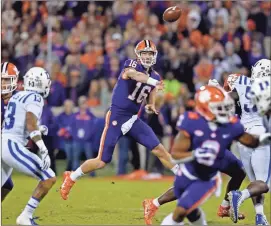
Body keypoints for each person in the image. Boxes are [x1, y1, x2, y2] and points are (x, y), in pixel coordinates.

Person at [60, 40, 178, 200]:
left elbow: (151, 90)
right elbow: (134, 75)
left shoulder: (155, 76)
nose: (148, 57)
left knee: (159, 149)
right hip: (117, 116)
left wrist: (150, 104)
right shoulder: (132, 65)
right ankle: (72, 177)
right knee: (102, 161)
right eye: (145, 53)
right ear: (138, 55)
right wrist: (153, 82)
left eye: (150, 54)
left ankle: (183, 175)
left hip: (133, 119)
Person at [143, 85, 270, 225]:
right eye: (219, 106)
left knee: (239, 172)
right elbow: (176, 153)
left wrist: (265, 138)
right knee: (189, 201)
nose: (224, 110)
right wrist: (197, 154)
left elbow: (250, 141)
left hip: (217, 160)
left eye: (224, 105)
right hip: (195, 163)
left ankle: (225, 207)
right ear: (205, 108)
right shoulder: (192, 121)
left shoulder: (231, 124)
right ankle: (154, 203)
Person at [1, 67, 56, 225]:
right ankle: (25, 216)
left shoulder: (17, 96)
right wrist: (43, 148)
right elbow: (30, 125)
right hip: (11, 145)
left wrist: (39, 129)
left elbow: (20, 124)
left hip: (4, 141)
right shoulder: (35, 98)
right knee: (49, 177)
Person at [225, 59, 271, 225]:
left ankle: (260, 217)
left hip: (243, 137)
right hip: (261, 136)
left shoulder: (240, 80)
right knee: (263, 184)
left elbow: (226, 91)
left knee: (255, 183)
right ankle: (240, 195)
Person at [1, 62, 19, 201]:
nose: (2, 82)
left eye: (6, 79)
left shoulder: (20, 99)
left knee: (7, 185)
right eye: (1, 79)